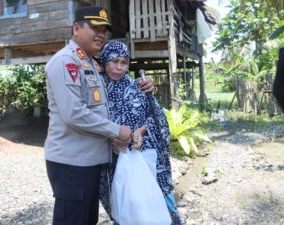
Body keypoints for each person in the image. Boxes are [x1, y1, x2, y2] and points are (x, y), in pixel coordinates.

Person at [44, 6, 154, 225]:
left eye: (104, 29)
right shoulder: (66, 62)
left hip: (88, 163)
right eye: (95, 27)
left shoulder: (90, 63)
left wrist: (146, 86)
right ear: (76, 28)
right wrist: (117, 131)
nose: (101, 34)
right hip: (72, 164)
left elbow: (120, 83)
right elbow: (74, 114)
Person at [98, 40, 183, 225]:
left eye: (124, 62)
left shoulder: (140, 87)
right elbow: (88, 124)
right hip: (114, 164)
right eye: (114, 61)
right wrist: (109, 141)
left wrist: (141, 131)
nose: (119, 68)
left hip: (145, 159)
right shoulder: (96, 91)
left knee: (158, 208)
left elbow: (158, 119)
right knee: (126, 211)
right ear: (104, 61)